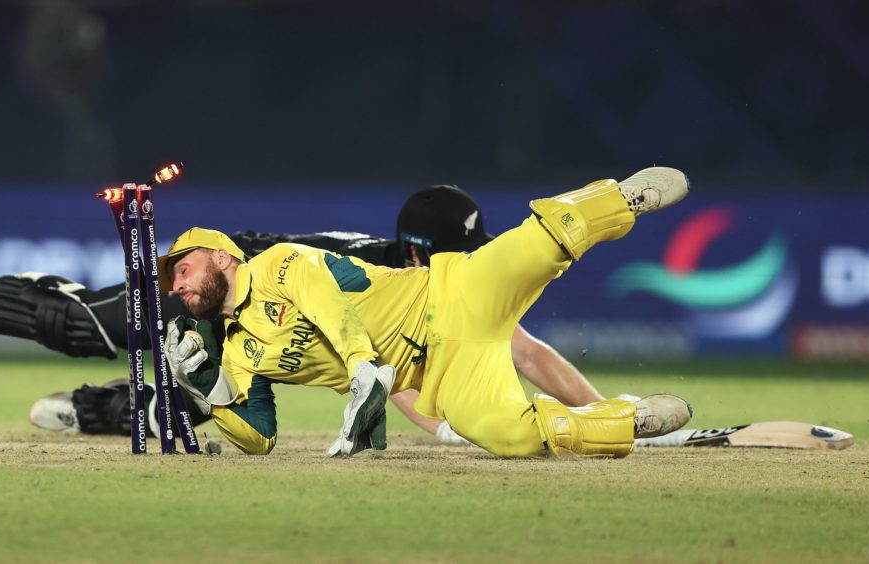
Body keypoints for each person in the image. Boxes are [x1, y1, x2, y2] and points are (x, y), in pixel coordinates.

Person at [0, 183, 642, 448]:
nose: (467, 265)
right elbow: (394, 377)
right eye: (456, 253)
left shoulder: (429, 277)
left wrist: (604, 408)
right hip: (220, 282)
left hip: (254, 320)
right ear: (422, 252)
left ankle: (94, 413)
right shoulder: (385, 273)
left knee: (207, 401)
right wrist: (451, 427)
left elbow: (524, 349)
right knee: (89, 327)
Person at [157, 167, 693, 458]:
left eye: (182, 268)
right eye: (170, 280)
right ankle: (628, 419)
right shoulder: (236, 353)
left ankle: (623, 198)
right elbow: (260, 441)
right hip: (443, 374)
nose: (176, 283)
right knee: (512, 437)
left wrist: (363, 367)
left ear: (221, 254)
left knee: (541, 243)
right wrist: (210, 387)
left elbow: (328, 309)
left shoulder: (278, 262)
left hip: (452, 294)